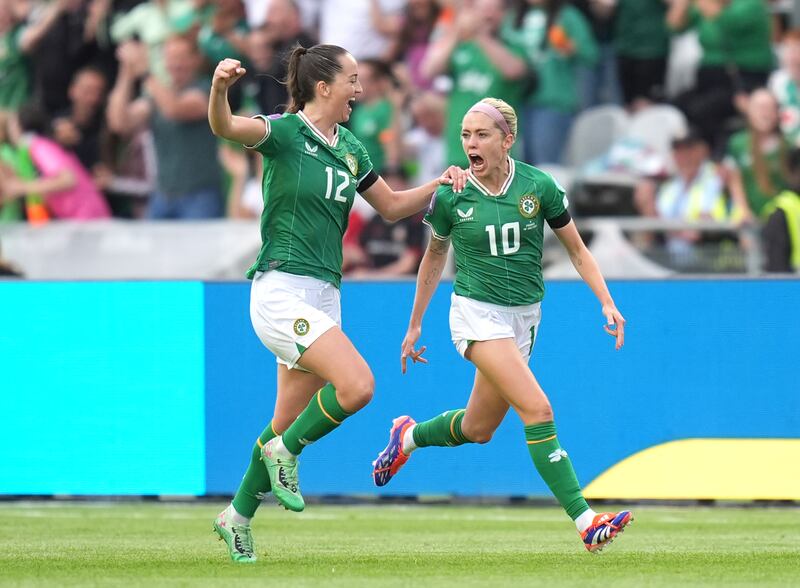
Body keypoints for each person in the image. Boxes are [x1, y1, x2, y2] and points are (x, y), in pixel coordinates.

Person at [207, 43, 466, 563]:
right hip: (280, 289)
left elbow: (390, 207)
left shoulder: (350, 145)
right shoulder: (283, 132)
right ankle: (287, 455)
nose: (360, 89)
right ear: (323, 86)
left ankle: (235, 516)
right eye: (352, 79)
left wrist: (438, 184)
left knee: (285, 419)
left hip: (326, 293)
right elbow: (225, 127)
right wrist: (218, 89)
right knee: (358, 385)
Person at [371, 97, 633, 553]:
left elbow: (576, 249)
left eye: (482, 135)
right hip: (475, 313)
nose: (471, 143)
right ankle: (586, 521)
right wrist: (414, 326)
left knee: (478, 428)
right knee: (539, 409)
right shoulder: (452, 194)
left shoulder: (539, 186)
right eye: (466, 135)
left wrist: (607, 302)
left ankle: (407, 436)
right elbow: (434, 257)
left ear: (507, 140)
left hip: (524, 318)